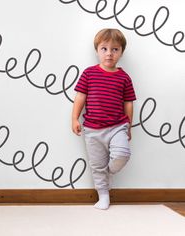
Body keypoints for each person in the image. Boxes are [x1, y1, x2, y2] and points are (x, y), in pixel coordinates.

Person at [72, 28, 136, 210]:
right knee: (97, 165)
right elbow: (80, 97)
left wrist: (128, 126)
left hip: (118, 126)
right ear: (97, 51)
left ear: (121, 52)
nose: (109, 53)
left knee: (122, 154)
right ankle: (103, 195)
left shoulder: (124, 77)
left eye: (115, 49)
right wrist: (74, 118)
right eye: (104, 48)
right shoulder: (89, 73)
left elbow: (129, 103)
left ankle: (108, 171)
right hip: (93, 129)